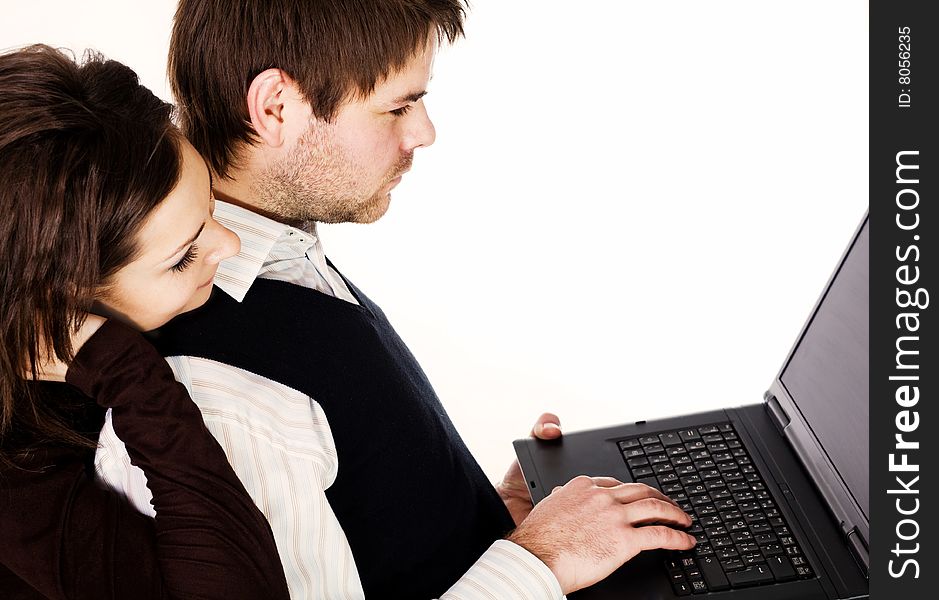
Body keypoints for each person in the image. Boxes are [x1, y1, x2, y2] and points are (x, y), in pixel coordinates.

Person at [95, 1, 698, 597]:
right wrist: (540, 560)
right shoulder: (218, 397)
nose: (423, 132)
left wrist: (485, 522)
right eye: (399, 106)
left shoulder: (280, 253)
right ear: (276, 107)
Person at [0, 45, 290, 599]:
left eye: (211, 206)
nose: (229, 245)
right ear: (55, 304)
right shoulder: (15, 476)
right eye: (182, 256)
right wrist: (124, 371)